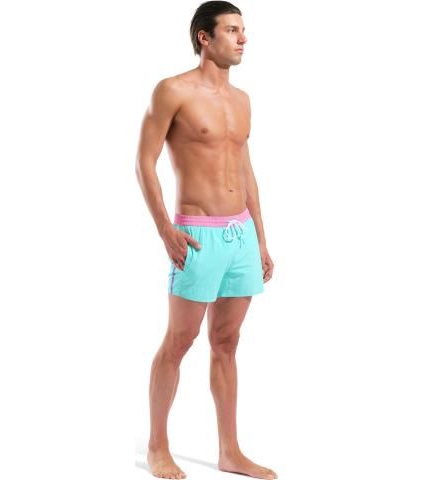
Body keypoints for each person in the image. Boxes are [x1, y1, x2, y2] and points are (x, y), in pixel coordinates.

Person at [135, 1, 276, 478]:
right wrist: (165, 229)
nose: (243, 39)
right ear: (204, 37)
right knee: (180, 340)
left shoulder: (242, 100)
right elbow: (144, 162)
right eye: (232, 30)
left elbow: (245, 170)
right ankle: (157, 446)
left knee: (227, 342)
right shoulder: (172, 90)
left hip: (240, 235)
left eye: (243, 30)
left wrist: (260, 238)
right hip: (196, 236)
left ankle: (229, 451)